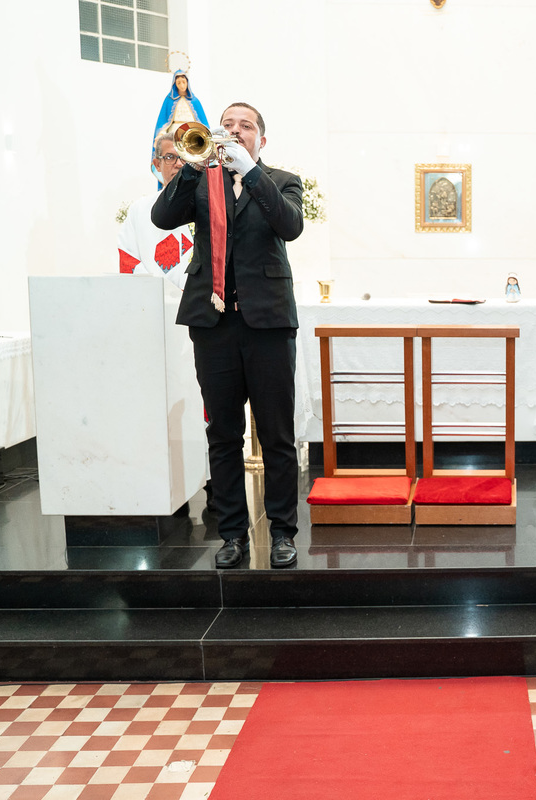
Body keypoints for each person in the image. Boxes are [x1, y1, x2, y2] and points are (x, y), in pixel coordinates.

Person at [152, 102, 304, 569]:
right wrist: (193, 166)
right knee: (222, 433)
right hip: (213, 323)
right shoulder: (203, 179)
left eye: (247, 127)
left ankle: (282, 532)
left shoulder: (280, 180)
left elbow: (290, 225)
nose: (236, 131)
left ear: (262, 139)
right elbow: (162, 217)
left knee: (276, 435)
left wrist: (250, 172)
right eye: (229, 125)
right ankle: (233, 534)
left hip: (268, 324)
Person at [118, 132, 194, 287]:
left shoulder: (208, 204)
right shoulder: (139, 210)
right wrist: (160, 292)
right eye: (170, 157)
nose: (179, 164)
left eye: (184, 157)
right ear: (157, 164)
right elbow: (127, 258)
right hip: (153, 303)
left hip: (199, 302)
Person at [151, 70, 208, 186]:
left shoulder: (195, 102)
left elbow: (203, 124)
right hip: (174, 137)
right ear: (175, 84)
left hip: (191, 139)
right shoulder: (169, 101)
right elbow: (162, 122)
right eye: (179, 83)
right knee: (172, 160)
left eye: (183, 82)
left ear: (187, 83)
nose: (182, 85)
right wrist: (161, 135)